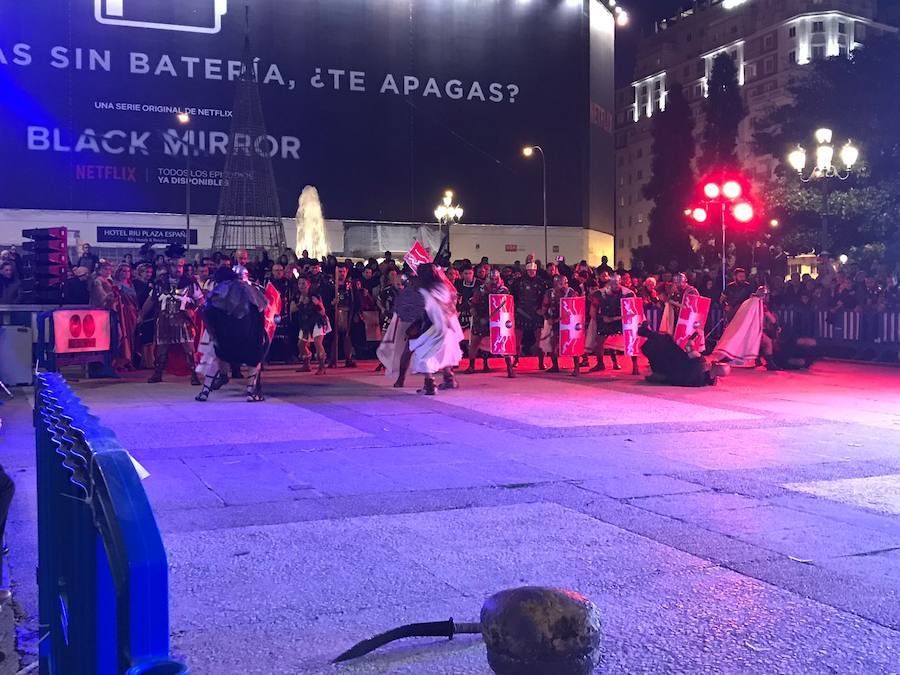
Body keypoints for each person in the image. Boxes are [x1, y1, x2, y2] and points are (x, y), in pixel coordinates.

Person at [195, 266, 269, 402]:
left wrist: (215, 333)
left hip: (226, 337)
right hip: (248, 337)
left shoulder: (219, 291)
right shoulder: (251, 290)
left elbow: (207, 312)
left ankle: (205, 391)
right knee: (254, 362)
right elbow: (261, 311)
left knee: (218, 357)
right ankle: (250, 392)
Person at [141, 259, 202, 385]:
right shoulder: (160, 282)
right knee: (162, 348)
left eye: (180, 266)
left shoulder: (190, 282)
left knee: (188, 348)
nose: (178, 269)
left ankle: (194, 374)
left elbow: (200, 300)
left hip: (183, 319)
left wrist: (193, 310)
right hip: (164, 318)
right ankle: (158, 373)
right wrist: (141, 315)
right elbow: (151, 300)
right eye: (175, 265)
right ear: (169, 266)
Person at [408, 263, 464, 395]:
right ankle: (449, 379)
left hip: (433, 327)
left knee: (423, 354)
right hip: (449, 325)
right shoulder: (444, 287)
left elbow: (419, 310)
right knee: (445, 351)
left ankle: (430, 385)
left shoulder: (422, 291)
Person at [638, 322, 728, 387]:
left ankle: (644, 332)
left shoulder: (700, 362)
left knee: (666, 339)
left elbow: (688, 346)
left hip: (672, 362)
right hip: (668, 374)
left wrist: (696, 334)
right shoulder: (701, 382)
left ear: (714, 364)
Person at [464, 269, 515, 378]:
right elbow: (473, 306)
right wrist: (477, 317)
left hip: (498, 321)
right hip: (481, 319)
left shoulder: (503, 291)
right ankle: (471, 366)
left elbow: (508, 307)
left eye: (496, 279)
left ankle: (509, 368)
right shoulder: (480, 290)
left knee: (504, 343)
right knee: (474, 342)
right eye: (492, 279)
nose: (494, 282)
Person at [589, 274, 639, 375]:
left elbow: (633, 313)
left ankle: (635, 365)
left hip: (622, 321)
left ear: (620, 282)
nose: (615, 285)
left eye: (617, 283)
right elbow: (593, 311)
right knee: (599, 339)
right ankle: (600, 363)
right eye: (612, 283)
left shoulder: (628, 294)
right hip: (605, 320)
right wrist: (601, 318)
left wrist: (615, 319)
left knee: (631, 339)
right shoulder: (599, 294)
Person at [539, 274, 578, 374]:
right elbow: (544, 308)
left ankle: (576, 367)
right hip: (554, 320)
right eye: (560, 284)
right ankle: (555, 365)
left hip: (569, 322)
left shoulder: (571, 293)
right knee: (553, 343)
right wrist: (548, 318)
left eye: (565, 283)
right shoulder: (549, 293)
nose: (563, 286)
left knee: (573, 342)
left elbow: (575, 308)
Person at [511, 262, 547, 369]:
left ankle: (541, 362)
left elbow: (545, 298)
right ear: (526, 271)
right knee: (517, 341)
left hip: (536, 314)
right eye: (530, 271)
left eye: (533, 271)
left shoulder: (541, 282)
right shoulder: (518, 282)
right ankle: (516, 360)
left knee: (540, 341)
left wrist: (542, 309)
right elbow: (512, 297)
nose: (532, 272)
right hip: (521, 313)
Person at [294, 277, 329, 374]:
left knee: (318, 343)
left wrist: (317, 304)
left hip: (317, 321)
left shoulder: (314, 295)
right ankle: (306, 364)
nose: (301, 286)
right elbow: (292, 309)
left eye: (303, 283)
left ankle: (322, 367)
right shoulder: (297, 295)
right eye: (299, 283)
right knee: (301, 345)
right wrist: (300, 303)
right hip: (305, 322)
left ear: (308, 284)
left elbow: (322, 311)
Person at [330, 263, 359, 368]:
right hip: (334, 312)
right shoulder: (331, 284)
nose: (341, 274)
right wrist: (331, 302)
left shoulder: (350, 285)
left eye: (343, 272)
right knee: (334, 336)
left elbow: (356, 299)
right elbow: (325, 297)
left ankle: (348, 358)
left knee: (347, 336)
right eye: (339, 272)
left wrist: (356, 313)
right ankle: (333, 359)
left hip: (347, 313)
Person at [113, 264, 139, 371]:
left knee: (132, 336)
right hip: (123, 313)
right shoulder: (116, 285)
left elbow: (135, 299)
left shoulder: (131, 284)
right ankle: (121, 362)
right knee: (124, 336)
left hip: (132, 312)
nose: (126, 273)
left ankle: (130, 360)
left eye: (128, 271)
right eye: (123, 271)